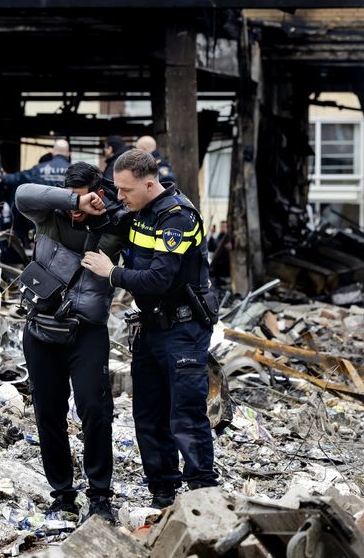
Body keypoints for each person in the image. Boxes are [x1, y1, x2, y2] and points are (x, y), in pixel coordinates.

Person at [80, 149, 218, 509]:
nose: (120, 197)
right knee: (149, 414)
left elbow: (158, 278)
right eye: (118, 190)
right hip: (150, 328)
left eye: (125, 190)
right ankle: (162, 494)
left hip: (183, 330)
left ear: (149, 183)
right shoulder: (137, 212)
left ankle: (204, 497)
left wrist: (111, 273)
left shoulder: (178, 218)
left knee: (185, 414)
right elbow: (110, 220)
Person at [14, 162, 121, 525]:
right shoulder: (48, 214)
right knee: (48, 414)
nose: (77, 207)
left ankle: (100, 497)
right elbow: (21, 193)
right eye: (71, 197)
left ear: (100, 192)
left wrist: (102, 210)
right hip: (41, 329)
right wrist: (72, 199)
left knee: (95, 410)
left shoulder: (114, 224)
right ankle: (62, 495)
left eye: (85, 196)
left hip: (87, 332)